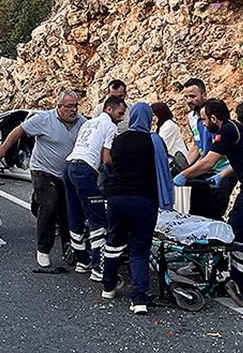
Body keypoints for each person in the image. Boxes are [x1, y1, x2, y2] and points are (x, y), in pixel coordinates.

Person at [174, 98, 243, 304]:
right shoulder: (233, 132)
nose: (203, 124)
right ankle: (238, 283)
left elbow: (208, 162)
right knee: (235, 233)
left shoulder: (228, 130)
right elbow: (241, 160)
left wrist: (183, 175)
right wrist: (222, 176)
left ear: (214, 118)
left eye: (204, 119)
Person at [0, 88, 84, 268]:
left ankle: (69, 248)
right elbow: (19, 130)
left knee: (67, 211)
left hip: (66, 174)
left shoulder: (82, 123)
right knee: (49, 204)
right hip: (43, 170)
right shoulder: (44, 119)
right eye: (69, 106)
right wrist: (3, 149)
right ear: (59, 106)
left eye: (76, 106)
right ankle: (43, 250)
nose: (73, 110)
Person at [100, 102, 166, 315]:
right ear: (148, 119)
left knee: (114, 242)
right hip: (144, 200)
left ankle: (108, 287)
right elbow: (162, 171)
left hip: (117, 198)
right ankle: (139, 299)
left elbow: (108, 164)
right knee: (139, 248)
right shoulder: (154, 140)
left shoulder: (119, 139)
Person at [64, 95, 127, 280]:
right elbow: (107, 158)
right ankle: (98, 268)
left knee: (75, 215)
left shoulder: (88, 123)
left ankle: (81, 261)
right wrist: (119, 172)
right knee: (97, 219)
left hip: (68, 166)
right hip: (85, 170)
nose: (121, 117)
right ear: (109, 109)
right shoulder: (110, 126)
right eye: (120, 113)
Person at [181, 78, 235, 219]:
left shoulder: (215, 115)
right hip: (204, 168)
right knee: (196, 210)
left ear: (204, 95)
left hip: (223, 169)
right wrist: (184, 167)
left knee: (214, 210)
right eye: (186, 97)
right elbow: (196, 144)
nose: (189, 100)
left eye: (193, 96)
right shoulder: (191, 118)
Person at [152, 101, 191, 212]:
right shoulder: (161, 127)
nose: (153, 118)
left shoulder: (168, 126)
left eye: (154, 115)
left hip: (177, 166)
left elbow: (160, 147)